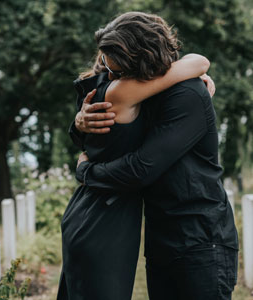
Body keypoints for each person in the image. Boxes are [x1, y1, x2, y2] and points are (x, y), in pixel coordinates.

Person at [74, 12, 239, 300]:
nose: (113, 80)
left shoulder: (188, 93)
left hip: (201, 241)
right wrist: (79, 122)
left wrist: (86, 172)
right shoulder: (146, 94)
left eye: (118, 72)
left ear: (141, 58)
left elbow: (141, 168)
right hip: (162, 238)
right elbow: (108, 137)